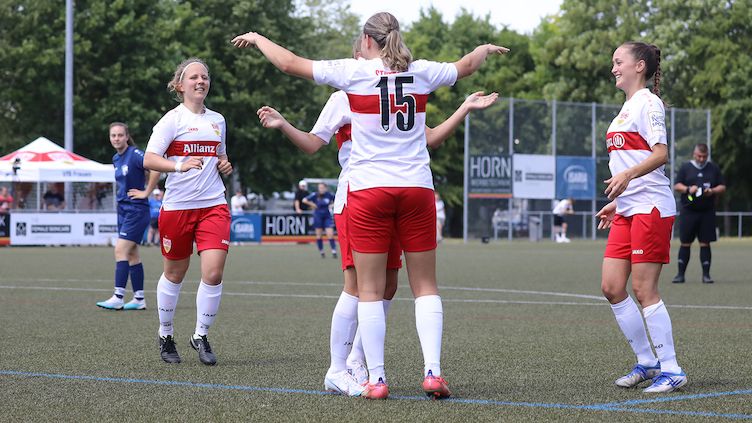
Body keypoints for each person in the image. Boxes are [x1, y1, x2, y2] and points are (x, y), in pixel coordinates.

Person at [233, 12, 508, 399]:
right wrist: (482, 49)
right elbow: (466, 66)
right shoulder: (422, 72)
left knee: (370, 290)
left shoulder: (354, 74)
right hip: (415, 188)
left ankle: (376, 378)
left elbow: (288, 63)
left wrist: (260, 37)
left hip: (368, 190)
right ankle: (432, 372)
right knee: (425, 286)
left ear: (366, 40)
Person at [596, 41, 686, 393]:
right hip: (629, 209)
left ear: (640, 66)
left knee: (643, 289)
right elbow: (632, 160)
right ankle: (647, 361)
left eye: (619, 61)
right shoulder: (626, 108)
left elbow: (661, 154)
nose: (613, 67)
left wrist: (627, 177)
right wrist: (618, 202)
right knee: (612, 287)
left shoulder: (649, 103)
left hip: (651, 207)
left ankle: (672, 368)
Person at [143, 58, 234, 366]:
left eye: (205, 77)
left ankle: (201, 335)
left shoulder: (218, 120)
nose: (200, 81)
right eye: (193, 77)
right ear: (180, 85)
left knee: (213, 272)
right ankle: (166, 334)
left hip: (213, 205)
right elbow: (149, 158)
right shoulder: (172, 120)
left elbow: (221, 156)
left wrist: (225, 164)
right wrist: (179, 164)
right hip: (178, 207)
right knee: (175, 273)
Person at [96, 122, 160, 311]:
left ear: (126, 136)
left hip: (136, 209)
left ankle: (118, 296)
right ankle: (139, 299)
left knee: (120, 250)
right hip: (123, 209)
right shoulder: (116, 158)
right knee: (131, 254)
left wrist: (146, 192)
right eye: (113, 136)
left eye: (120, 135)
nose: (116, 139)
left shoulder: (135, 154)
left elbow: (155, 168)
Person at [672, 143, 725, 284]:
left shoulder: (713, 168)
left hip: (707, 212)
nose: (701, 159)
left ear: (707, 155)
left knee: (705, 243)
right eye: (699, 156)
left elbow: (722, 186)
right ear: (694, 154)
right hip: (688, 212)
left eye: (704, 156)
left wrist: (712, 191)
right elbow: (677, 185)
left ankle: (706, 276)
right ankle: (680, 275)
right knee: (685, 243)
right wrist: (688, 189)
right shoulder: (685, 168)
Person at [303, 183, 338, 258]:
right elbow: (304, 200)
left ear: (325, 188)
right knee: (319, 235)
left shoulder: (329, 195)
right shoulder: (315, 195)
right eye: (320, 188)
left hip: (327, 216)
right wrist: (312, 205)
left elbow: (338, 200)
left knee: (330, 234)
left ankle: (333, 250)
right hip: (318, 216)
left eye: (322, 187)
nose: (321, 189)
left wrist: (332, 205)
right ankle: (321, 251)